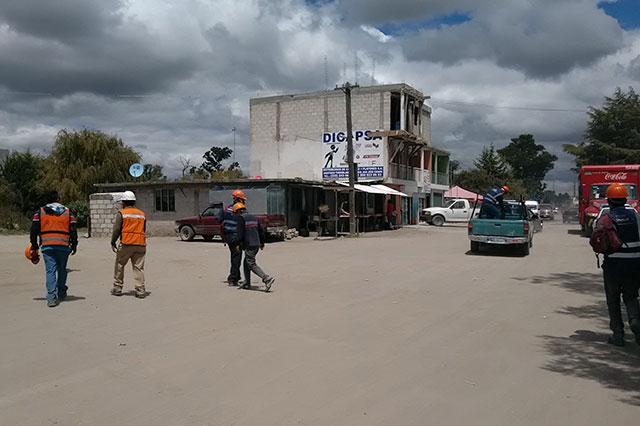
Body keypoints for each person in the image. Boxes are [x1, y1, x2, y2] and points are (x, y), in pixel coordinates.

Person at [595, 183, 640, 346]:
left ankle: (618, 335)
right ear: (625, 199)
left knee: (613, 299)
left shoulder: (606, 218)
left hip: (613, 265)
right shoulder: (635, 216)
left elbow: (597, 240)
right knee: (631, 296)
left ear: (609, 200)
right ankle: (635, 321)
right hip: (635, 264)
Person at [30, 192, 78, 307]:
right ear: (58, 199)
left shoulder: (40, 212)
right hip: (63, 245)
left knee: (50, 271)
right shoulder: (67, 212)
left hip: (47, 245)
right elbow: (73, 230)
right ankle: (61, 292)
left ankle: (51, 298)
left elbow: (33, 230)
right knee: (62, 269)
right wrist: (74, 244)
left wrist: (34, 245)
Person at [110, 191, 147, 298]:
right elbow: (143, 229)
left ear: (124, 202)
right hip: (140, 244)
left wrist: (113, 241)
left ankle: (117, 288)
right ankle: (140, 290)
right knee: (138, 268)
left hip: (126, 243)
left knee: (120, 265)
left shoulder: (122, 213)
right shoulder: (142, 214)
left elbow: (117, 230)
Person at [234, 203, 275, 291]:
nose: (235, 215)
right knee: (246, 262)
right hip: (256, 244)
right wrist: (262, 242)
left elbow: (240, 234)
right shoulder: (253, 217)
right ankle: (247, 283)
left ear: (238, 211)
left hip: (249, 244)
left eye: (235, 213)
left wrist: (237, 244)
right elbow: (260, 230)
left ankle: (266, 278)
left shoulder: (241, 218)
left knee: (251, 263)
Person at [221, 190, 246, 286]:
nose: (243, 201)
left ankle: (237, 276)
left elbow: (221, 220)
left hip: (228, 236)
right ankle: (232, 278)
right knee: (237, 258)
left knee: (234, 256)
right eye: (242, 199)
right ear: (238, 199)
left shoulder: (227, 208)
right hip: (236, 237)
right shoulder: (241, 209)